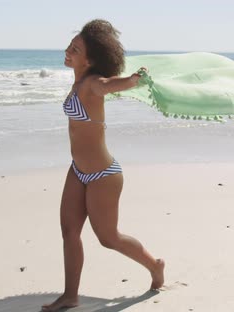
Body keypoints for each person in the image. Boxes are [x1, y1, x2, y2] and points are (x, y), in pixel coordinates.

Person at [42, 19, 165, 311]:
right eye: (70, 46)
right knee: (69, 231)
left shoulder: (92, 83)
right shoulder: (77, 82)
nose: (67, 51)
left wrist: (134, 80)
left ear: (91, 59)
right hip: (78, 170)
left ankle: (155, 265)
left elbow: (110, 85)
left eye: (75, 49)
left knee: (108, 238)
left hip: (103, 176)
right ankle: (70, 295)